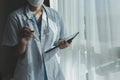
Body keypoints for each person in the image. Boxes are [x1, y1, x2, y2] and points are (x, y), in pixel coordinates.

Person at [2, 0, 71, 80]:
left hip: (53, 72)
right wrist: (22, 42)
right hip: (28, 73)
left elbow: (63, 39)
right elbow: (12, 53)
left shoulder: (55, 15)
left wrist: (63, 44)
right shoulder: (15, 17)